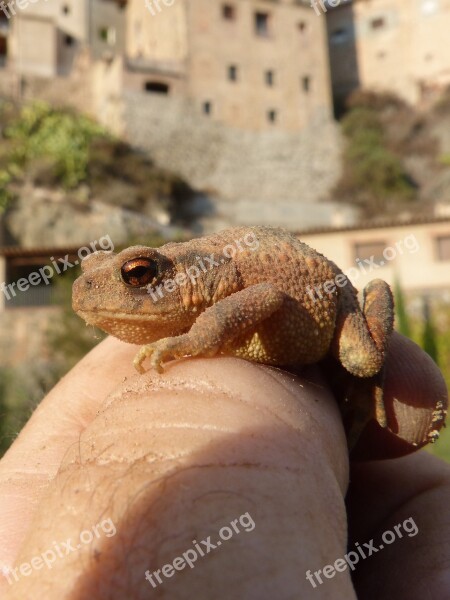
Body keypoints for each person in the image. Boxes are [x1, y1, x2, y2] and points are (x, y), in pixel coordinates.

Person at [0, 334, 448, 599]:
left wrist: (198, 342)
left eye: (136, 275)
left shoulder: (216, 285)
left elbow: (267, 299)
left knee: (363, 358)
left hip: (330, 318)